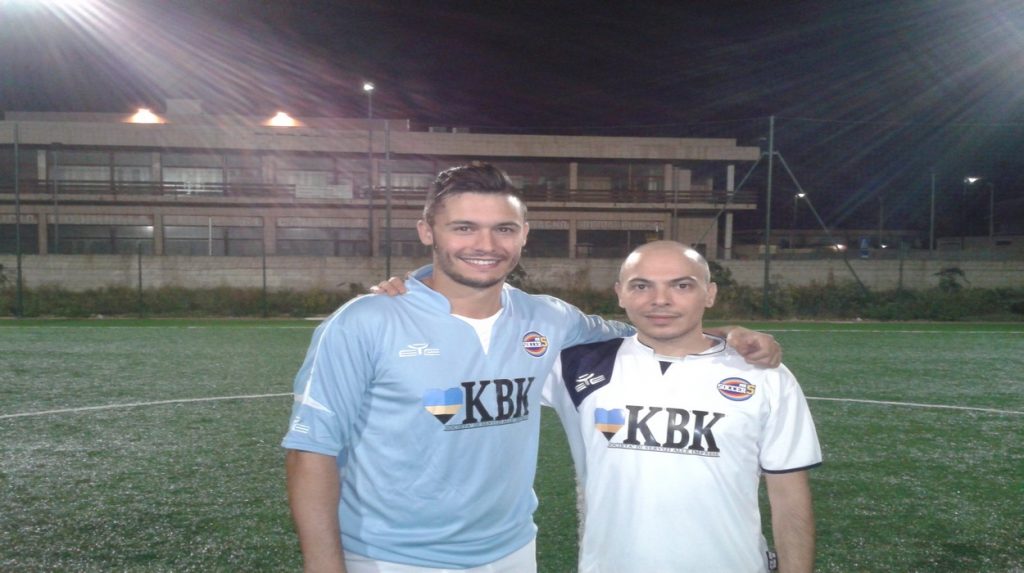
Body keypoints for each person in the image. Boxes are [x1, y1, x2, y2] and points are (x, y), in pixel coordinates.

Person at [282, 163, 781, 573]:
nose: (486, 244)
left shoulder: (549, 318)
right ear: (427, 231)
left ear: (523, 235)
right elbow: (311, 452)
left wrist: (727, 335)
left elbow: (643, 332)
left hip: (513, 550)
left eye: (503, 228)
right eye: (464, 227)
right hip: (390, 558)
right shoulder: (365, 322)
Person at [543, 240, 821, 573]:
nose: (660, 299)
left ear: (709, 293)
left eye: (682, 286)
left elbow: (789, 498)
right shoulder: (576, 366)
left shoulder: (764, 375)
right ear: (620, 294)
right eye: (641, 286)